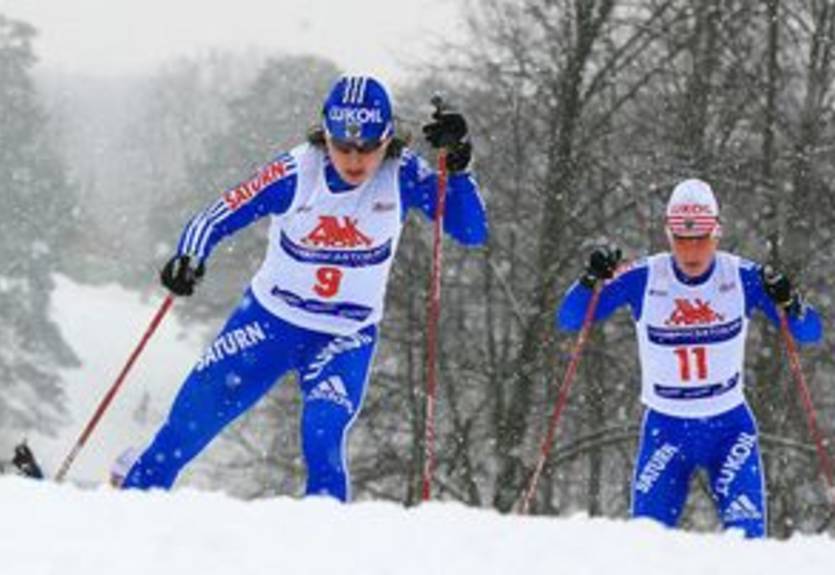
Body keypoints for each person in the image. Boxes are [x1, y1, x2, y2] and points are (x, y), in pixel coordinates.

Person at [122, 75, 488, 501]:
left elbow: (470, 229)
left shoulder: (402, 174)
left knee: (323, 434)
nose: (354, 160)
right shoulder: (298, 171)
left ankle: (322, 547)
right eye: (342, 146)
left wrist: (457, 165)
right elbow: (218, 215)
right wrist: (189, 255)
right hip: (269, 323)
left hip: (344, 334)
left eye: (367, 147)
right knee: (185, 427)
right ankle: (125, 520)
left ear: (388, 140)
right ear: (324, 137)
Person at [556, 179, 822, 538]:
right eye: (682, 239)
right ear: (669, 235)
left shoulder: (742, 277)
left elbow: (808, 333)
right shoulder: (644, 278)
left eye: (701, 239)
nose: (692, 252)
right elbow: (570, 319)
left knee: (749, 546)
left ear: (717, 233)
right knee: (646, 545)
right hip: (666, 429)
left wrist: (790, 301)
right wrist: (590, 280)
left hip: (730, 429)